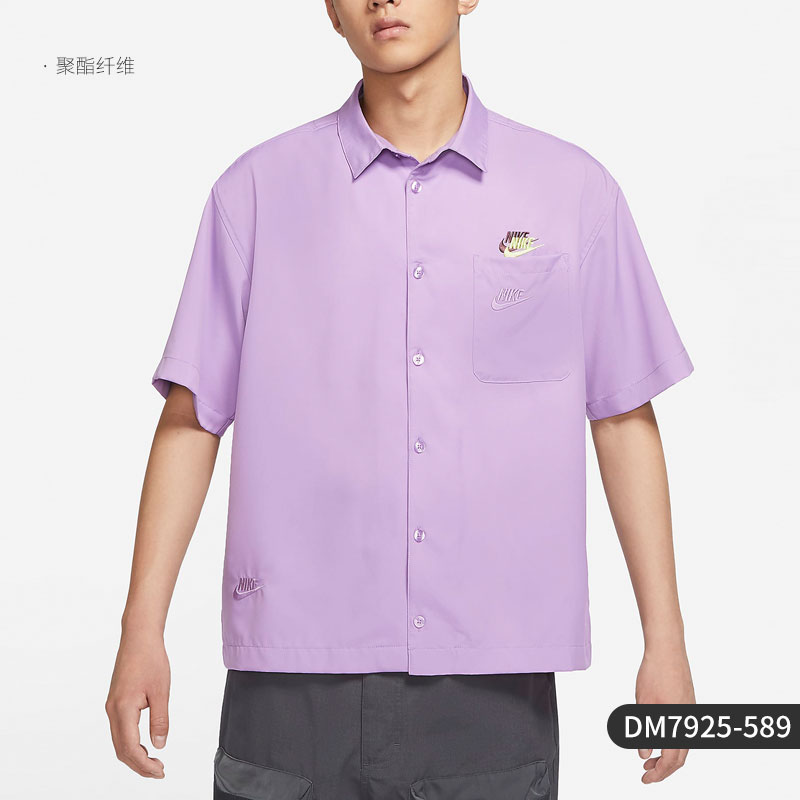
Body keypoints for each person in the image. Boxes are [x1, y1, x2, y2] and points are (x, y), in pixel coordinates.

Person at [106, 1, 697, 796]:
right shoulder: (255, 193)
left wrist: (666, 642)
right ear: (330, 11)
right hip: (291, 679)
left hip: (492, 684)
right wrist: (140, 630)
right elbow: (191, 418)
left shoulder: (572, 193)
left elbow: (622, 416)